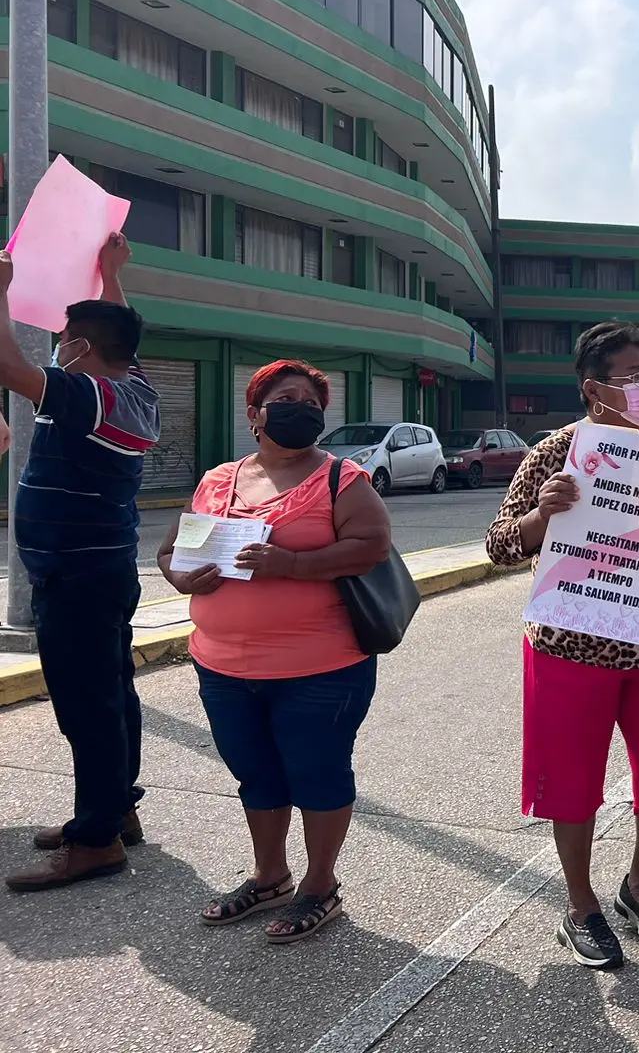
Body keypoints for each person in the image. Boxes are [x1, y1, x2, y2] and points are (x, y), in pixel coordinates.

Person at [486, 321, 639, 971]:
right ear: (593, 387)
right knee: (572, 789)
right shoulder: (556, 452)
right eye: (632, 376)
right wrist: (540, 515)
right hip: (568, 651)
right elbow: (499, 544)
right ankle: (580, 906)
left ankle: (638, 888)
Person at [155, 360, 391, 942]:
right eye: (287, 398)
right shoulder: (217, 480)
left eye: (312, 402)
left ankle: (319, 886)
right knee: (255, 775)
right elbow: (169, 551)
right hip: (222, 664)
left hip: (322, 667)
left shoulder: (343, 480)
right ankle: (269, 878)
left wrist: (292, 565)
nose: (301, 408)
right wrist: (182, 577)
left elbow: (372, 547)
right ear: (255, 413)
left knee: (316, 773)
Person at [4, 234, 162, 893]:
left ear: (82, 349)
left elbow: (11, 369)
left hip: (74, 572)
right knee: (111, 691)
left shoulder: (89, 396)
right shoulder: (136, 390)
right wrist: (111, 273)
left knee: (86, 703)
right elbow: (119, 334)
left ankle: (95, 840)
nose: (57, 345)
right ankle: (115, 808)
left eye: (66, 338)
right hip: (101, 569)